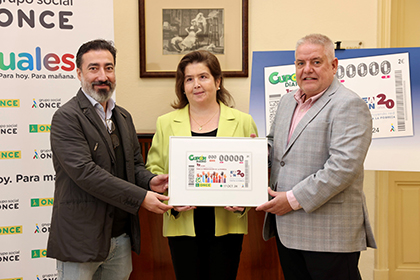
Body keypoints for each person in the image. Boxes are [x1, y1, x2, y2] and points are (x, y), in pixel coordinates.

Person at [46, 39, 172, 280]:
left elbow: (134, 165)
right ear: (79, 72)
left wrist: (150, 181)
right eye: (94, 68)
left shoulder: (123, 116)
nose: (102, 76)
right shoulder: (66, 117)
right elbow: (86, 173)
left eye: (109, 67)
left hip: (120, 238)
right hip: (81, 240)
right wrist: (141, 197)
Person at [256, 34, 377, 279]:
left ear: (333, 65)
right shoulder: (287, 101)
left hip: (330, 234)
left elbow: (343, 168)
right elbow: (276, 146)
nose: (307, 69)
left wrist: (291, 199)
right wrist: (252, 154)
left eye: (316, 62)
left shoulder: (349, 104)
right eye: (300, 63)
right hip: (288, 231)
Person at [146, 50, 258, 280]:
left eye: (203, 77)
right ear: (183, 86)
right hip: (183, 223)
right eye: (189, 79)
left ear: (217, 82)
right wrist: (170, 198)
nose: (196, 84)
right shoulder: (166, 123)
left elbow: (254, 174)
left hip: (227, 224)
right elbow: (153, 170)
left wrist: (245, 202)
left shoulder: (243, 121)